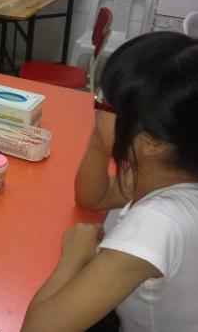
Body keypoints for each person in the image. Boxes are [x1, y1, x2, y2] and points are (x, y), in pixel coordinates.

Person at [21, 31, 198, 332]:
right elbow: (93, 198)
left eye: (104, 103)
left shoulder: (158, 225)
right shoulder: (165, 172)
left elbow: (37, 329)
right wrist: (101, 135)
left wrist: (74, 256)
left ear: (152, 142)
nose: (94, 104)